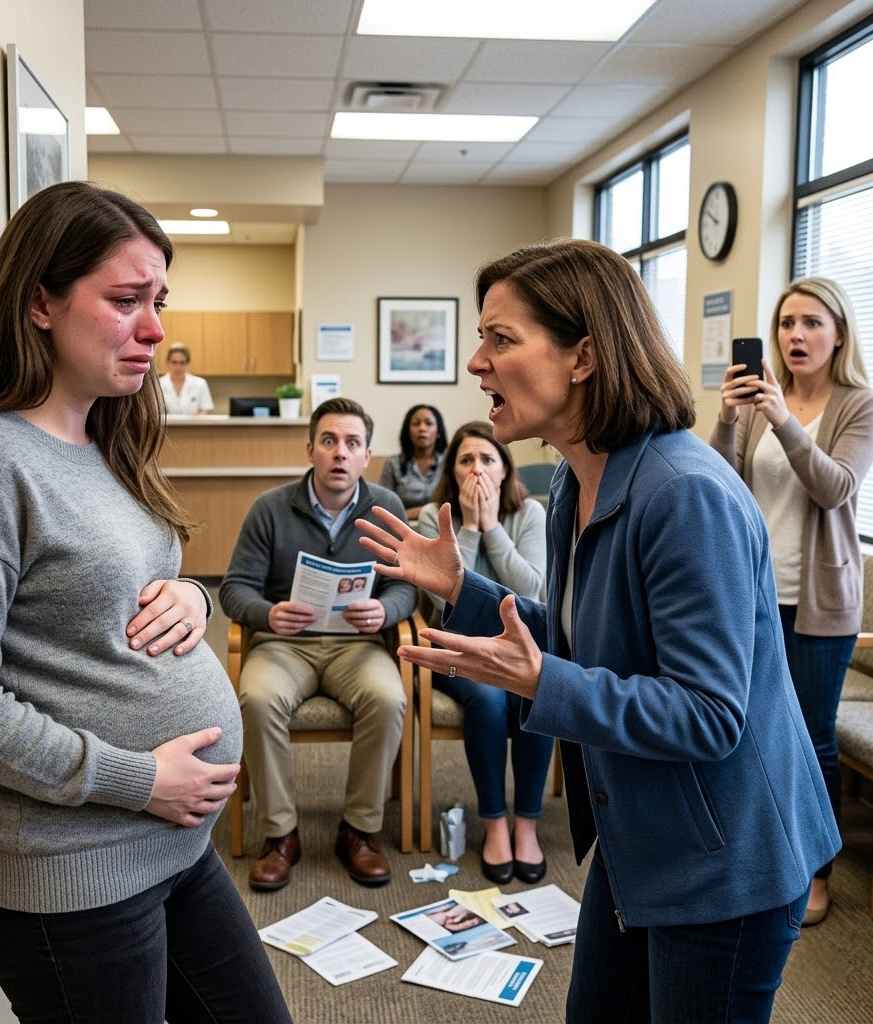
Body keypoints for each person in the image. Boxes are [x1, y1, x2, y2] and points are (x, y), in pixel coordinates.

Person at [357, 239, 839, 1024]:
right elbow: (586, 645)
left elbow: (708, 714)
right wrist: (461, 589)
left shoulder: (685, 494)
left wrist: (541, 681)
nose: (477, 363)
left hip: (724, 863)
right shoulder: (578, 481)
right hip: (639, 832)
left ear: (583, 356)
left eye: (501, 339)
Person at [0, 181, 291, 1024]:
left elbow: (118, 589)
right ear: (39, 302)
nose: (155, 329)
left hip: (173, 847)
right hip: (72, 875)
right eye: (125, 301)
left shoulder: (107, 438)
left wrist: (195, 599)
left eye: (159, 302)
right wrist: (139, 778)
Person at [710, 276, 873, 927]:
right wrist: (729, 418)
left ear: (839, 334)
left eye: (811, 323)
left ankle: (815, 871)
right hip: (753, 593)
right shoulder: (758, 400)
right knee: (749, 729)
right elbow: (721, 485)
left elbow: (835, 488)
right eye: (786, 324)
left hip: (820, 603)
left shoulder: (858, 404)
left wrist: (782, 419)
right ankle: (762, 853)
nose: (796, 335)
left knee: (811, 738)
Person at [219, 397, 416, 892]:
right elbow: (234, 589)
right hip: (284, 645)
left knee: (389, 697)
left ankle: (359, 830)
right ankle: (280, 835)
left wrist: (385, 610)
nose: (339, 452)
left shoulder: (386, 508)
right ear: (310, 449)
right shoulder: (270, 508)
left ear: (367, 454)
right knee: (257, 698)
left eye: (352, 443)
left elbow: (406, 587)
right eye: (329, 441)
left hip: (358, 647)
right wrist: (268, 613)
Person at [415, 420, 550, 885]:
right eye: (466, 460)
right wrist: (469, 527)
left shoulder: (529, 514)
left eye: (488, 459)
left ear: (505, 469)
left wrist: (492, 526)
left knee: (539, 692)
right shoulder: (434, 517)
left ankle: (526, 824)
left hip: (517, 647)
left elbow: (531, 591)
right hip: (457, 649)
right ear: (452, 471)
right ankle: (494, 822)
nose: (477, 469)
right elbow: (442, 602)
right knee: (489, 700)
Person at [379, 404, 448, 517]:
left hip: (440, 525)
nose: (422, 428)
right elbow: (383, 507)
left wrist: (420, 513)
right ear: (408, 431)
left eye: (429, 423)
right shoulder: (392, 464)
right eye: (416, 423)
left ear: (438, 431)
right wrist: (411, 514)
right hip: (402, 525)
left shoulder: (449, 463)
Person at [159, 341, 215, 415]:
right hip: (166, 423)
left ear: (187, 363)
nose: (178, 367)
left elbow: (205, 410)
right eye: (174, 362)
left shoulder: (200, 384)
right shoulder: (158, 384)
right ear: (168, 362)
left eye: (182, 363)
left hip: (194, 423)